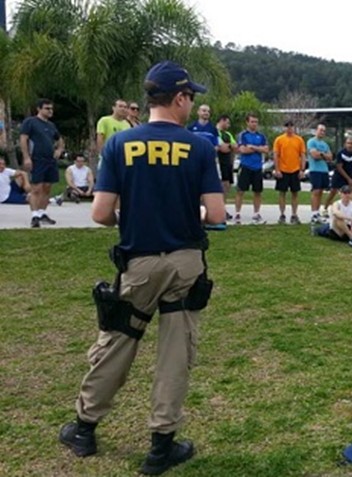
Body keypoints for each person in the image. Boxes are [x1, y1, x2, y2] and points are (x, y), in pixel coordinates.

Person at [58, 60, 225, 476]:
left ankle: (84, 428)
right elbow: (218, 214)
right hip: (186, 264)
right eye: (191, 99)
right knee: (174, 355)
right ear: (181, 98)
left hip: (139, 263)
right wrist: (188, 218)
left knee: (117, 342)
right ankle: (161, 445)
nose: (192, 106)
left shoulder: (119, 145)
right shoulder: (200, 147)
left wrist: (132, 220)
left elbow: (100, 214)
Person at [19, 98, 65, 228]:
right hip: (37, 159)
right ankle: (34, 216)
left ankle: (42, 213)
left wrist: (59, 150)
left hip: (50, 160)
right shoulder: (30, 122)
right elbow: (23, 139)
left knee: (47, 188)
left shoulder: (51, 125)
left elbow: (60, 139)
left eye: (51, 109)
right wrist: (27, 157)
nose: (50, 111)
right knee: (36, 188)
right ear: (39, 109)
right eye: (47, 108)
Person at [234, 114, 269, 225]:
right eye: (252, 121)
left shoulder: (261, 136)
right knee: (240, 190)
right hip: (245, 166)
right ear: (247, 122)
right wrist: (259, 149)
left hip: (257, 167)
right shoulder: (243, 135)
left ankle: (256, 213)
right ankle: (237, 212)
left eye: (256, 122)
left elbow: (266, 149)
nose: (254, 124)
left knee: (257, 191)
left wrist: (253, 147)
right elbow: (243, 150)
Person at [273, 119, 306, 224]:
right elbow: (276, 155)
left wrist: (302, 170)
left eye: (291, 126)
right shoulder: (279, 140)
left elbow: (303, 155)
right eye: (287, 126)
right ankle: (282, 215)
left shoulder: (299, 140)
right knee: (282, 193)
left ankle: (294, 214)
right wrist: (277, 169)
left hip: (295, 170)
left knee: (295, 193)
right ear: (284, 127)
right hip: (283, 170)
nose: (289, 128)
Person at [324, 135, 352, 213]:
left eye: (351, 143)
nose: (349, 145)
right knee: (333, 192)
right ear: (345, 144)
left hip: (350, 174)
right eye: (348, 143)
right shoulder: (340, 153)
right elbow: (339, 167)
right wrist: (348, 179)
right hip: (339, 174)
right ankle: (325, 208)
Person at [306, 123, 333, 224]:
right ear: (316, 130)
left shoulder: (325, 144)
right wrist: (323, 155)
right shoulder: (311, 142)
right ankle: (314, 214)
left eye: (324, 131)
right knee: (315, 191)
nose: (322, 132)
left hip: (324, 170)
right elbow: (314, 155)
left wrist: (321, 154)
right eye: (320, 130)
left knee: (321, 192)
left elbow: (330, 157)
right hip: (314, 170)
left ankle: (317, 213)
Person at [216, 114, 237, 219]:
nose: (228, 125)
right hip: (219, 162)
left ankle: (223, 208)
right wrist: (229, 146)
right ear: (222, 121)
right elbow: (222, 148)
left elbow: (235, 147)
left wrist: (229, 146)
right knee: (220, 186)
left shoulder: (228, 134)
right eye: (227, 122)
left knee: (227, 186)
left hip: (228, 163)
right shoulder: (215, 132)